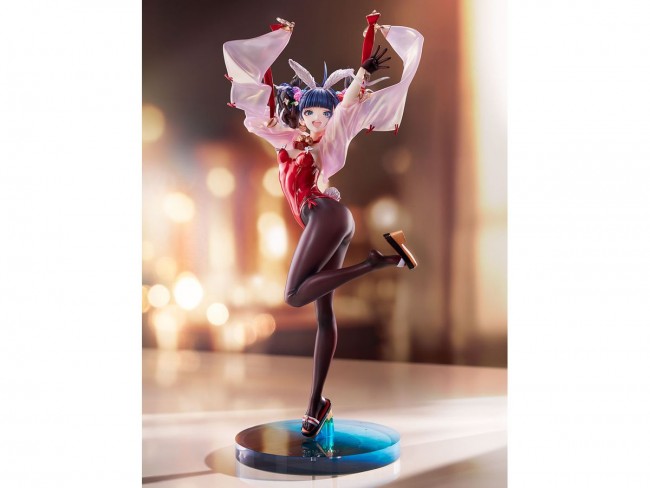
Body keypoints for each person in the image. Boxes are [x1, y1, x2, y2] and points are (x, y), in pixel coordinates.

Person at [223, 12, 423, 438]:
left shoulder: (327, 143)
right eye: (311, 111)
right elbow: (268, 106)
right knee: (324, 315)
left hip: (325, 214)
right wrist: (273, 49)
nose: (318, 118)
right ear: (300, 112)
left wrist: (362, 70)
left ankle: (375, 262)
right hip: (334, 219)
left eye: (324, 112)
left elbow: (349, 104)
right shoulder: (286, 140)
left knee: (293, 295)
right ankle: (316, 403)